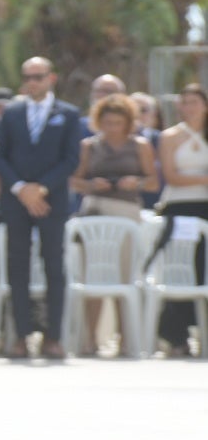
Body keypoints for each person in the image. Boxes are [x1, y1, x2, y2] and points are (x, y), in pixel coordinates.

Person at [0, 56, 82, 359]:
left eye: (38, 76)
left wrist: (40, 189)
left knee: (54, 266)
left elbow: (70, 159)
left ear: (51, 78)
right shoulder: (11, 113)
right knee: (18, 268)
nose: (32, 82)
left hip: (51, 201)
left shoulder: (68, 114)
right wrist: (21, 189)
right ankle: (21, 336)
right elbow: (0, 156)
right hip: (16, 201)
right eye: (27, 76)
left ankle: (53, 338)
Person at [68, 93, 156, 356]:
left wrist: (135, 183)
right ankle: (90, 339)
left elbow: (153, 182)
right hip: (95, 214)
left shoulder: (140, 145)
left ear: (128, 122)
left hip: (127, 213)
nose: (112, 127)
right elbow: (75, 181)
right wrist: (92, 185)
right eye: (107, 122)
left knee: (125, 274)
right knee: (93, 274)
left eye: (118, 122)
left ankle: (126, 339)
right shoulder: (88, 146)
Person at [156, 83, 208, 356]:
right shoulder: (170, 136)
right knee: (181, 270)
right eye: (184, 101)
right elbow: (172, 176)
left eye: (194, 101)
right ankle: (177, 336)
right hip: (180, 208)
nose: (189, 107)